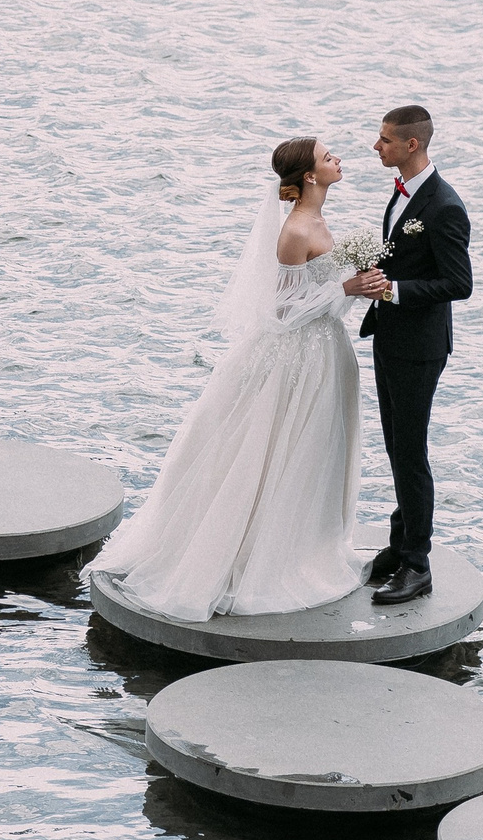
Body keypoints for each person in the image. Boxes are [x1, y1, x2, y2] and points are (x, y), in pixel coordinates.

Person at [83, 136, 377, 621]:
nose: (338, 160)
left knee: (315, 453)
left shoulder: (319, 221)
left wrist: (356, 286)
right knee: (275, 453)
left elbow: (316, 294)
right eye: (328, 157)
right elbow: (282, 311)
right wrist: (345, 286)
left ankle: (304, 545)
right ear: (308, 175)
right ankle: (255, 558)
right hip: (295, 361)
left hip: (325, 352)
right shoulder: (296, 231)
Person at [356, 104, 472, 605]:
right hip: (389, 337)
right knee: (396, 447)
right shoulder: (403, 191)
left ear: (412, 145)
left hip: (419, 348)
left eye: (383, 140)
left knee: (411, 452)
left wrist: (395, 291)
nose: (375, 147)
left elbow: (458, 284)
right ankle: (399, 542)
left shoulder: (444, 206)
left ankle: (418, 563)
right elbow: (401, 253)